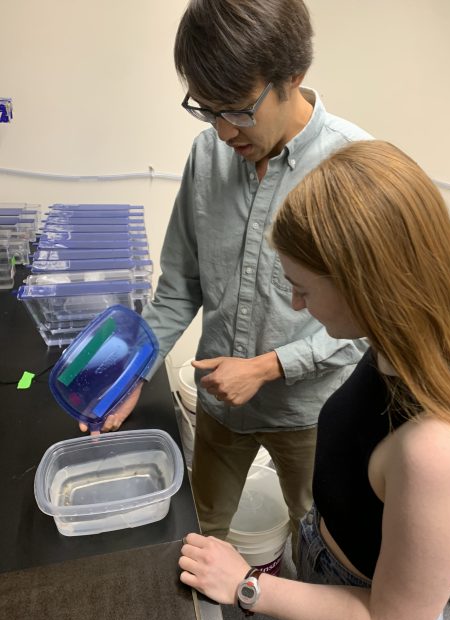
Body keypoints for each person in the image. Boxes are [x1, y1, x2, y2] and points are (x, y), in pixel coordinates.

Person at [178, 140, 450, 620]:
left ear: (368, 287)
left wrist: (247, 584)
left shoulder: (441, 452)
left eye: (302, 289)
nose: (296, 304)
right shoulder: (394, 350)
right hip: (326, 569)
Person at [80, 0, 371, 554]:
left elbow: (367, 320)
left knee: (318, 550)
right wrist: (133, 373)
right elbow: (178, 288)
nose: (220, 129)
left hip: (308, 414)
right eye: (205, 109)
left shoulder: (352, 166)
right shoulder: (207, 154)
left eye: (237, 109)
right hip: (220, 402)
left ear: (294, 76)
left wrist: (265, 368)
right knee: (200, 531)